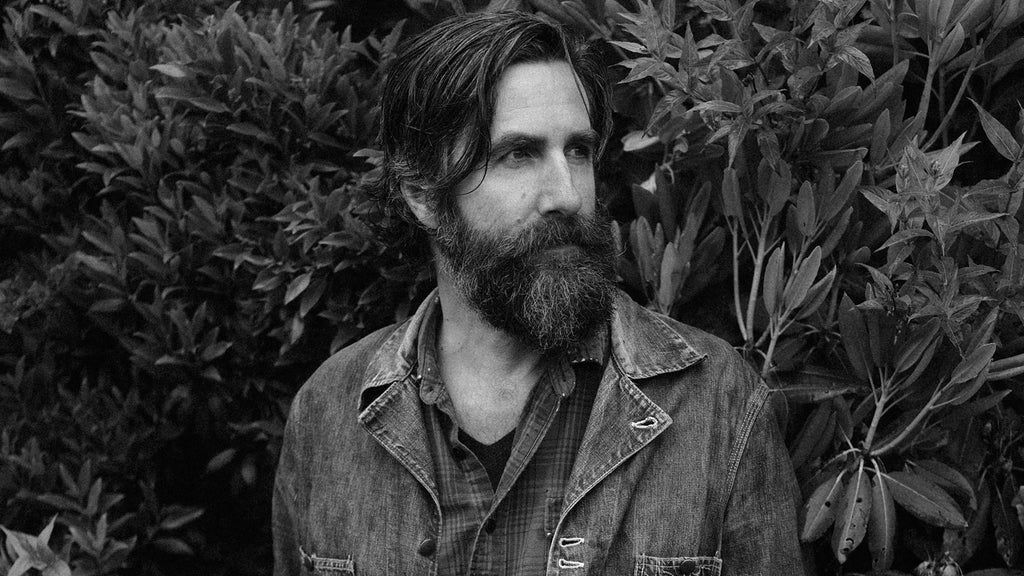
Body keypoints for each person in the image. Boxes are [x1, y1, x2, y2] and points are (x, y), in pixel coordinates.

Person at [273, 11, 805, 576]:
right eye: (518, 154)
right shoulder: (328, 413)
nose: (567, 195)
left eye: (578, 151)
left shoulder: (718, 404)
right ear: (423, 195)